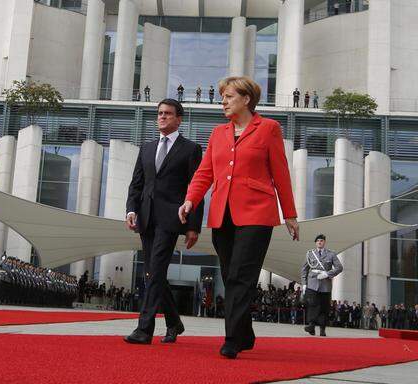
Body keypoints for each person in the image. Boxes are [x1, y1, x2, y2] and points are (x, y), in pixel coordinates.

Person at [179, 76, 299, 358]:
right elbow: (205, 173)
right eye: (222, 97)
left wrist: (290, 214)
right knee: (229, 275)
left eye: (229, 96)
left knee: (241, 276)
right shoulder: (217, 133)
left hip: (257, 213)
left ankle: (232, 338)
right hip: (222, 214)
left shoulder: (268, 128)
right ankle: (245, 332)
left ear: (246, 100)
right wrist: (190, 200)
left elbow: (280, 172)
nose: (223, 102)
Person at [124, 98, 204, 345]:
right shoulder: (146, 148)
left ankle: (144, 330)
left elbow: (197, 189)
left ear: (178, 119)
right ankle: (174, 321)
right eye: (159, 113)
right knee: (153, 272)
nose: (162, 117)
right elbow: (137, 183)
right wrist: (130, 210)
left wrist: (193, 226)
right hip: (145, 218)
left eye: (168, 114)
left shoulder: (190, 149)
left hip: (171, 218)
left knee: (155, 270)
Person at [301, 234, 343, 336]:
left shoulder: (331, 254)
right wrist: (304, 284)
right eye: (318, 241)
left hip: (325, 284)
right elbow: (304, 269)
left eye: (322, 241)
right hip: (312, 283)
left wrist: (327, 274)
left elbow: (339, 267)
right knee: (312, 305)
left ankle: (322, 328)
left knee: (324, 307)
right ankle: (311, 326)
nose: (320, 242)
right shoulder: (310, 254)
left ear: (324, 242)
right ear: (316, 243)